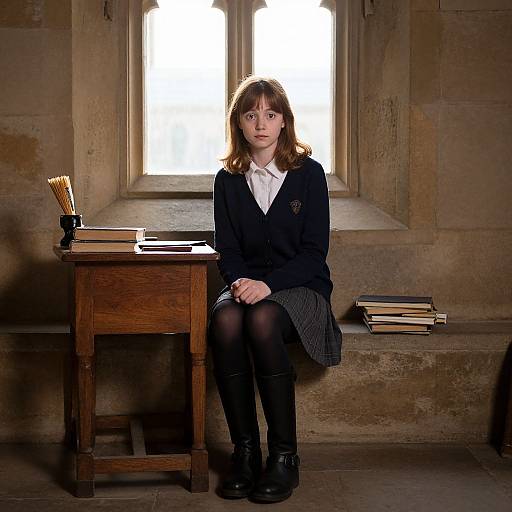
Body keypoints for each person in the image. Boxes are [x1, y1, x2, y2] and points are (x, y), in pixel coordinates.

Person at [208, 76, 342, 503]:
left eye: (270, 114)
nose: (261, 123)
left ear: (284, 121)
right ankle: (244, 452)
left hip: (300, 288)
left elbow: (313, 252)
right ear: (239, 124)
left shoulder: (309, 174)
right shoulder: (227, 180)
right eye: (251, 115)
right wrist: (240, 283)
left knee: (263, 320)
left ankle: (284, 457)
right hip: (244, 284)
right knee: (226, 320)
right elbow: (226, 250)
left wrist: (267, 285)